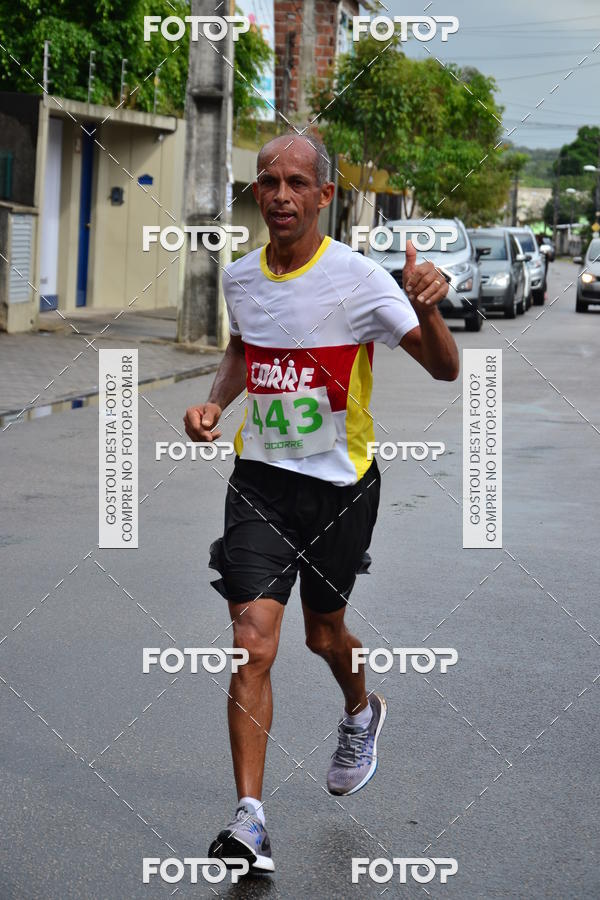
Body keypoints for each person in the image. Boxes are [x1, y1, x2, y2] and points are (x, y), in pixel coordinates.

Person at [184, 134, 459, 874]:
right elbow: (243, 351)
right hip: (261, 481)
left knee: (323, 635)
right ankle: (250, 819)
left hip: (341, 488)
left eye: (296, 182)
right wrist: (214, 404)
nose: (279, 195)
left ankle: (360, 710)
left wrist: (428, 307)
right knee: (254, 642)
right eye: (267, 181)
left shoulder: (361, 280)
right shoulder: (240, 278)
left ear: (323, 196)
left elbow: (444, 369)